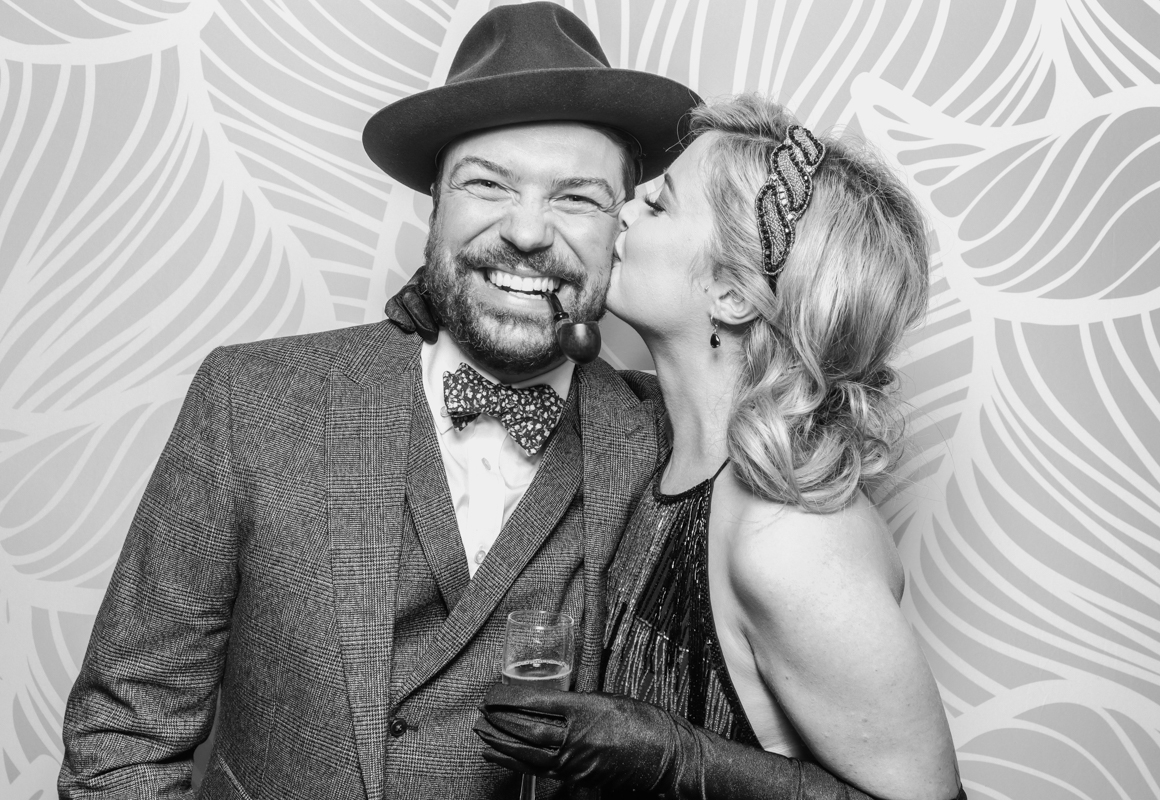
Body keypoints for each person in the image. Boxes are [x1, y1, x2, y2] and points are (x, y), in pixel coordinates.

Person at [57, 5, 701, 799]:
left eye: (576, 199)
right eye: (488, 185)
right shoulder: (250, 401)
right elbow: (124, 733)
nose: (529, 232)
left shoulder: (672, 447)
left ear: (623, 227)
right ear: (435, 204)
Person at [469, 96, 968, 800]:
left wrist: (674, 759)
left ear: (732, 294)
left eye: (663, 202)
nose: (630, 200)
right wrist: (445, 310)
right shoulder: (665, 445)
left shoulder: (788, 538)